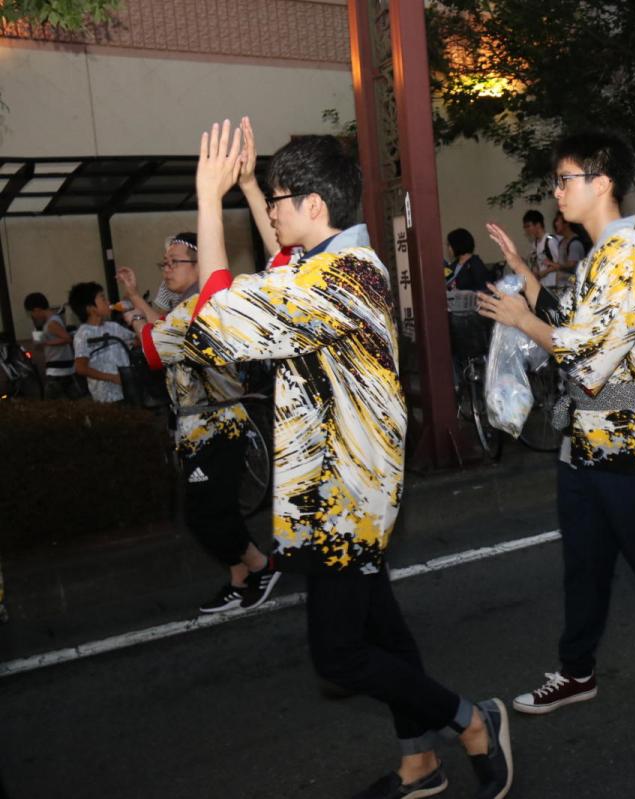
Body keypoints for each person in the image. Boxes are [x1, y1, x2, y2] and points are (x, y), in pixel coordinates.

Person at [185, 119, 512, 799]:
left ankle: (472, 720)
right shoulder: (326, 267)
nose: (270, 215)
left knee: (339, 654)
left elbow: (219, 324)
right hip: (340, 488)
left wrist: (208, 197)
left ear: (312, 206)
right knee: (382, 633)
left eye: (277, 201)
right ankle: (420, 762)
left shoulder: (339, 278)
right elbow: (278, 270)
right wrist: (248, 183)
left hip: (344, 499)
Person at [478, 130, 635, 717]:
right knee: (583, 562)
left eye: (565, 179)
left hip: (624, 433)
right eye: (556, 180)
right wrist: (525, 281)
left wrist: (522, 319)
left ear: (600, 183)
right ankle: (577, 671)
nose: (556, 191)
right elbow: (571, 325)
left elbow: (587, 353)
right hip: (582, 438)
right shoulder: (599, 255)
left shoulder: (628, 254)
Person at [117, 233, 280, 614]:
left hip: (216, 426)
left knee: (205, 513)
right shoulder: (192, 306)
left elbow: (154, 349)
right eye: (165, 263)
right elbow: (163, 327)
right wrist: (137, 301)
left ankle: (261, 565)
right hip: (202, 427)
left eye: (174, 262)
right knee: (215, 509)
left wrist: (137, 318)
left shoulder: (198, 308)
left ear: (199, 265)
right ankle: (241, 580)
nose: (166, 269)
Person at [68, 282, 136, 403]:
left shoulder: (114, 327)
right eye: (103, 299)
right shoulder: (83, 334)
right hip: (105, 397)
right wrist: (112, 378)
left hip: (128, 391)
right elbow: (81, 368)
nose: (108, 302)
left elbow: (137, 341)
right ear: (91, 308)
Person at [23, 292, 80, 399]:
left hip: (58, 369)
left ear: (37, 309)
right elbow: (38, 346)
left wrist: (46, 343)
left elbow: (67, 338)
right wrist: (38, 329)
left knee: (50, 403)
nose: (32, 316)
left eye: (31, 312)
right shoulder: (48, 322)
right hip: (61, 367)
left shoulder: (51, 323)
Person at [523, 209, 561, 292]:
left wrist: (544, 272)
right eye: (525, 227)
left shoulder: (550, 240)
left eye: (528, 226)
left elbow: (560, 265)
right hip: (543, 285)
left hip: (554, 284)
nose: (527, 230)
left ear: (538, 225)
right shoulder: (535, 243)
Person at [444, 227, 494, 292]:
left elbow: (484, 287)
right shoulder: (454, 265)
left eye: (449, 245)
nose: (449, 249)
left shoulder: (475, 263)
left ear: (458, 244)